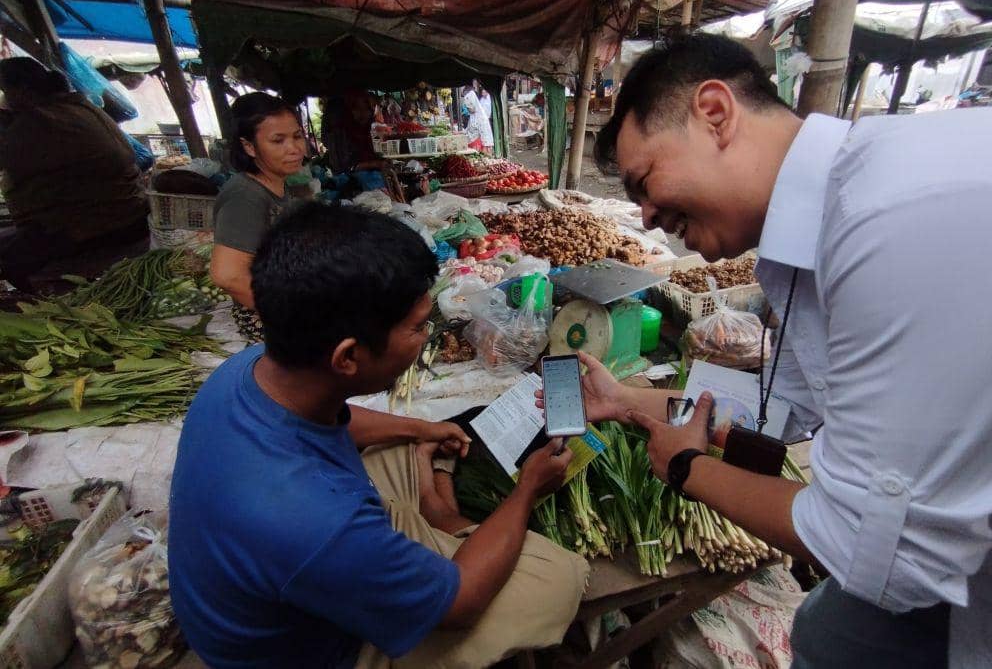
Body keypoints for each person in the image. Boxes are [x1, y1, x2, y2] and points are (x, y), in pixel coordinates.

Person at [552, 33, 992, 668]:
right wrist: (627, 400)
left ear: (714, 112)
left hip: (958, 582)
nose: (646, 217)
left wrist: (686, 470)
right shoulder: (800, 245)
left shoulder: (882, 222)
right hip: (968, 574)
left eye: (644, 181)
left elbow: (880, 557)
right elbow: (773, 412)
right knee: (824, 633)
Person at [170, 203, 588, 669]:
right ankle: (447, 527)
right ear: (347, 357)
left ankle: (436, 509)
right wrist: (527, 490)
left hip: (302, 561)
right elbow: (461, 604)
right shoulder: (313, 523)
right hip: (318, 651)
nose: (427, 335)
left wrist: (419, 427)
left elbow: (336, 420)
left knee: (406, 448)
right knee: (557, 579)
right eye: (415, 327)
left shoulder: (244, 371)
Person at [0, 57, 148, 292]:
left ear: (23, 90)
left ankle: (43, 306)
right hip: (129, 212)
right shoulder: (80, 106)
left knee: (9, 259)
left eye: (7, 91)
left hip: (98, 225)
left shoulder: (42, 121)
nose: (7, 99)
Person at [210, 92, 304, 342]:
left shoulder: (276, 186)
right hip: (270, 321)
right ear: (249, 146)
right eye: (278, 140)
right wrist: (292, 315)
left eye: (297, 136)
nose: (293, 148)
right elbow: (227, 275)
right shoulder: (245, 196)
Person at [321, 88, 386, 172]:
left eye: (366, 108)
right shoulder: (341, 134)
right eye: (356, 108)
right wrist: (375, 164)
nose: (362, 113)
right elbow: (345, 167)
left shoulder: (370, 129)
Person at [462, 85, 494, 157]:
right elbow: (469, 128)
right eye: (468, 108)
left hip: (479, 148)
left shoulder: (481, 116)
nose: (469, 109)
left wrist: (486, 150)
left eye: (469, 107)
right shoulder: (472, 115)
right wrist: (461, 132)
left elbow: (486, 135)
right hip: (472, 146)